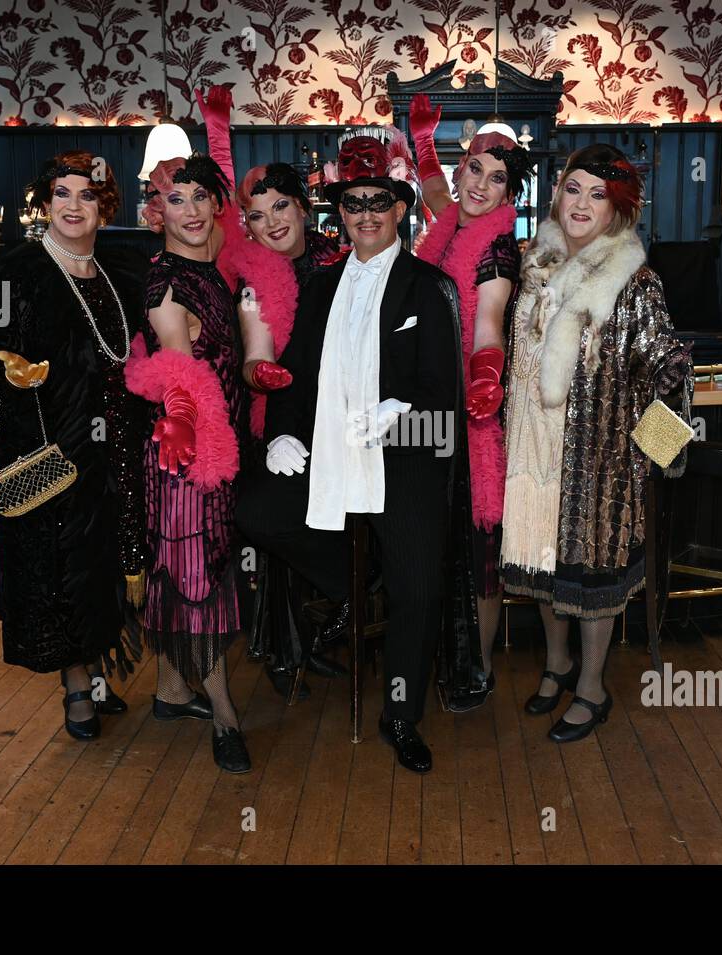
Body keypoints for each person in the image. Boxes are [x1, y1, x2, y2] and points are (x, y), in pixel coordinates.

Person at [235, 133, 472, 774]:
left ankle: (401, 714)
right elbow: (291, 372)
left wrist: (404, 415)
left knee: (418, 588)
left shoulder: (430, 287)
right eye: (352, 202)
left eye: (378, 201)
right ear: (338, 210)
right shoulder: (319, 286)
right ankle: (354, 578)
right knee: (255, 506)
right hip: (328, 451)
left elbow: (442, 395)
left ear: (400, 208)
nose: (365, 213)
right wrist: (282, 429)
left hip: (405, 459)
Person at [501, 143, 693, 742]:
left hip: (598, 454)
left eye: (598, 194)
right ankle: (556, 665)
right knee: (539, 559)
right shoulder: (534, 264)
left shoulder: (635, 283)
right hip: (531, 439)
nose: (582, 203)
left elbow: (670, 371)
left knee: (590, 574)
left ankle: (592, 687)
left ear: (618, 208)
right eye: (573, 189)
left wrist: (651, 462)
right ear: (558, 194)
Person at [194, 86, 351, 699]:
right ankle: (323, 615)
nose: (271, 222)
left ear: (303, 208)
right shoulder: (251, 278)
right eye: (257, 216)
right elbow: (256, 355)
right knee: (264, 515)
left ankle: (330, 616)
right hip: (277, 427)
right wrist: (265, 381)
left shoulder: (343, 264)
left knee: (338, 514)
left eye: (280, 206)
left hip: (343, 424)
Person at [0, 150, 147, 741]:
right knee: (64, 567)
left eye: (87, 195)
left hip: (119, 445)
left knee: (108, 561)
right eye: (63, 193)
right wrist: (11, 372)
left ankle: (102, 676)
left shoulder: (121, 269)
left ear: (104, 207)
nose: (74, 205)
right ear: (46, 202)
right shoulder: (19, 269)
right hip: (54, 445)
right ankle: (77, 688)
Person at [123, 152, 251, 773]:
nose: (193, 210)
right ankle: (225, 715)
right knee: (198, 575)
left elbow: (223, 211)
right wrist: (194, 439)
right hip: (190, 450)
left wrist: (218, 140)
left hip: (220, 444)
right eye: (177, 200)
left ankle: (173, 691)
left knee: (192, 566)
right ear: (157, 212)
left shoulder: (213, 252)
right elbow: (182, 380)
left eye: (202, 197)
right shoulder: (166, 286)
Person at [408, 94, 533, 711]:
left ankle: (477, 666)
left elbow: (488, 321)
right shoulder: (451, 218)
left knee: (479, 536)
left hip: (472, 409)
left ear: (510, 192)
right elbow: (434, 188)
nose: (481, 185)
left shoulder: (497, 247)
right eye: (475, 170)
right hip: (431, 403)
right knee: (438, 535)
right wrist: (422, 139)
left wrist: (485, 380)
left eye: (497, 179)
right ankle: (442, 654)